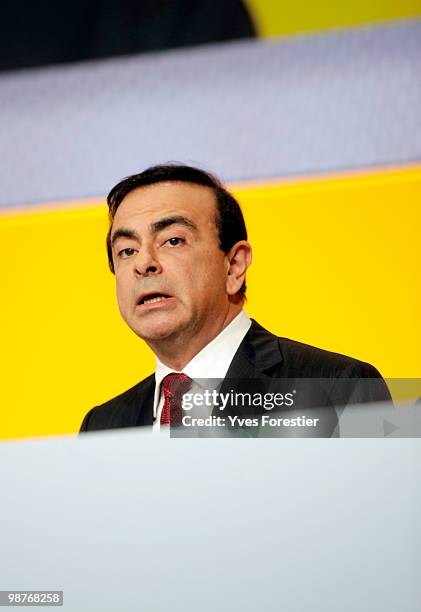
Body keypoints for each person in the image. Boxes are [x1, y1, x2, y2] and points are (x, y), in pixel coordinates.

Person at [80, 164, 391, 436]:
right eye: (127, 251)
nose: (143, 263)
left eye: (173, 240)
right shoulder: (103, 425)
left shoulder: (339, 389)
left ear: (234, 265)